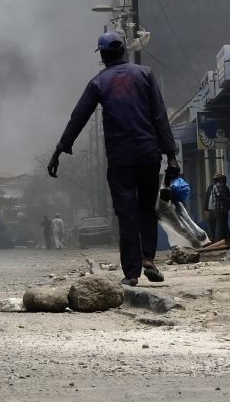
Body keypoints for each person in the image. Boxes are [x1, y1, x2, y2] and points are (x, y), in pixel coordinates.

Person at [47, 31, 179, 285]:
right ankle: (148, 259)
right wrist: (171, 155)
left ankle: (131, 273)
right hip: (149, 154)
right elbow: (159, 116)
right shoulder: (146, 75)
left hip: (120, 159)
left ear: (104, 55)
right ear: (124, 51)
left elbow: (78, 117)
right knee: (146, 210)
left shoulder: (99, 82)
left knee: (126, 213)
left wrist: (60, 150)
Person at [204, 167, 230, 245]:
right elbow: (218, 197)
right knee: (216, 227)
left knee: (223, 226)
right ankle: (218, 243)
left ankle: (225, 241)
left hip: (222, 209)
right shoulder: (214, 187)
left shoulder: (223, 187)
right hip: (215, 210)